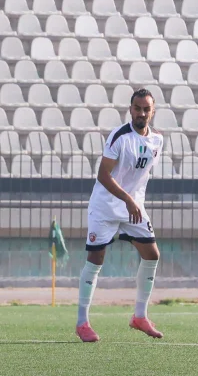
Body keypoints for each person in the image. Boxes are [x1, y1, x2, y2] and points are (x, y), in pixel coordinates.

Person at [76, 88, 165, 342]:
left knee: (152, 254)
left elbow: (140, 175)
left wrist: (134, 201)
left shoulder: (157, 140)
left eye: (146, 109)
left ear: (152, 111)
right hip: (106, 206)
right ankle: (82, 322)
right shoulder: (119, 137)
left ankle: (140, 316)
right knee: (96, 259)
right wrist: (127, 199)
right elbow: (103, 175)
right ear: (130, 110)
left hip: (133, 208)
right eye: (137, 108)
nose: (141, 113)